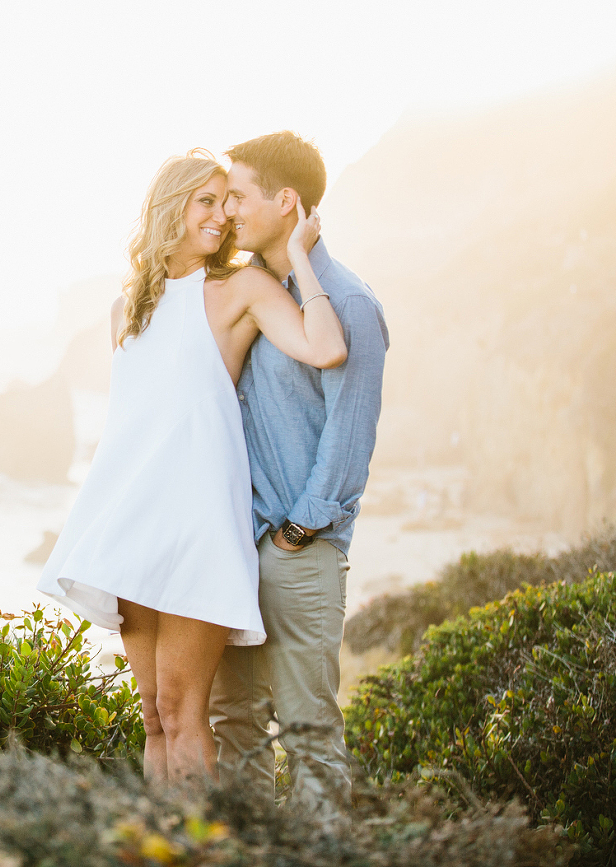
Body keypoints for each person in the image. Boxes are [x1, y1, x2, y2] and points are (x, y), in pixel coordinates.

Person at [37, 150, 346, 783]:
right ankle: (165, 845)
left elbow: (327, 346)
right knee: (152, 716)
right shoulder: (128, 309)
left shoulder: (240, 290)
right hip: (130, 523)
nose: (221, 216)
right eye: (206, 201)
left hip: (196, 526)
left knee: (184, 713)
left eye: (226, 201)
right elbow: (133, 428)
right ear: (170, 207)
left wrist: (305, 260)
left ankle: (201, 848)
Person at [207, 131, 388, 814]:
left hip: (296, 547)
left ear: (286, 202)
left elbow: (348, 437)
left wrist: (297, 530)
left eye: (237, 198)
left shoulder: (349, 303)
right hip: (232, 546)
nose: (226, 212)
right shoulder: (249, 294)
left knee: (308, 732)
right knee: (234, 724)